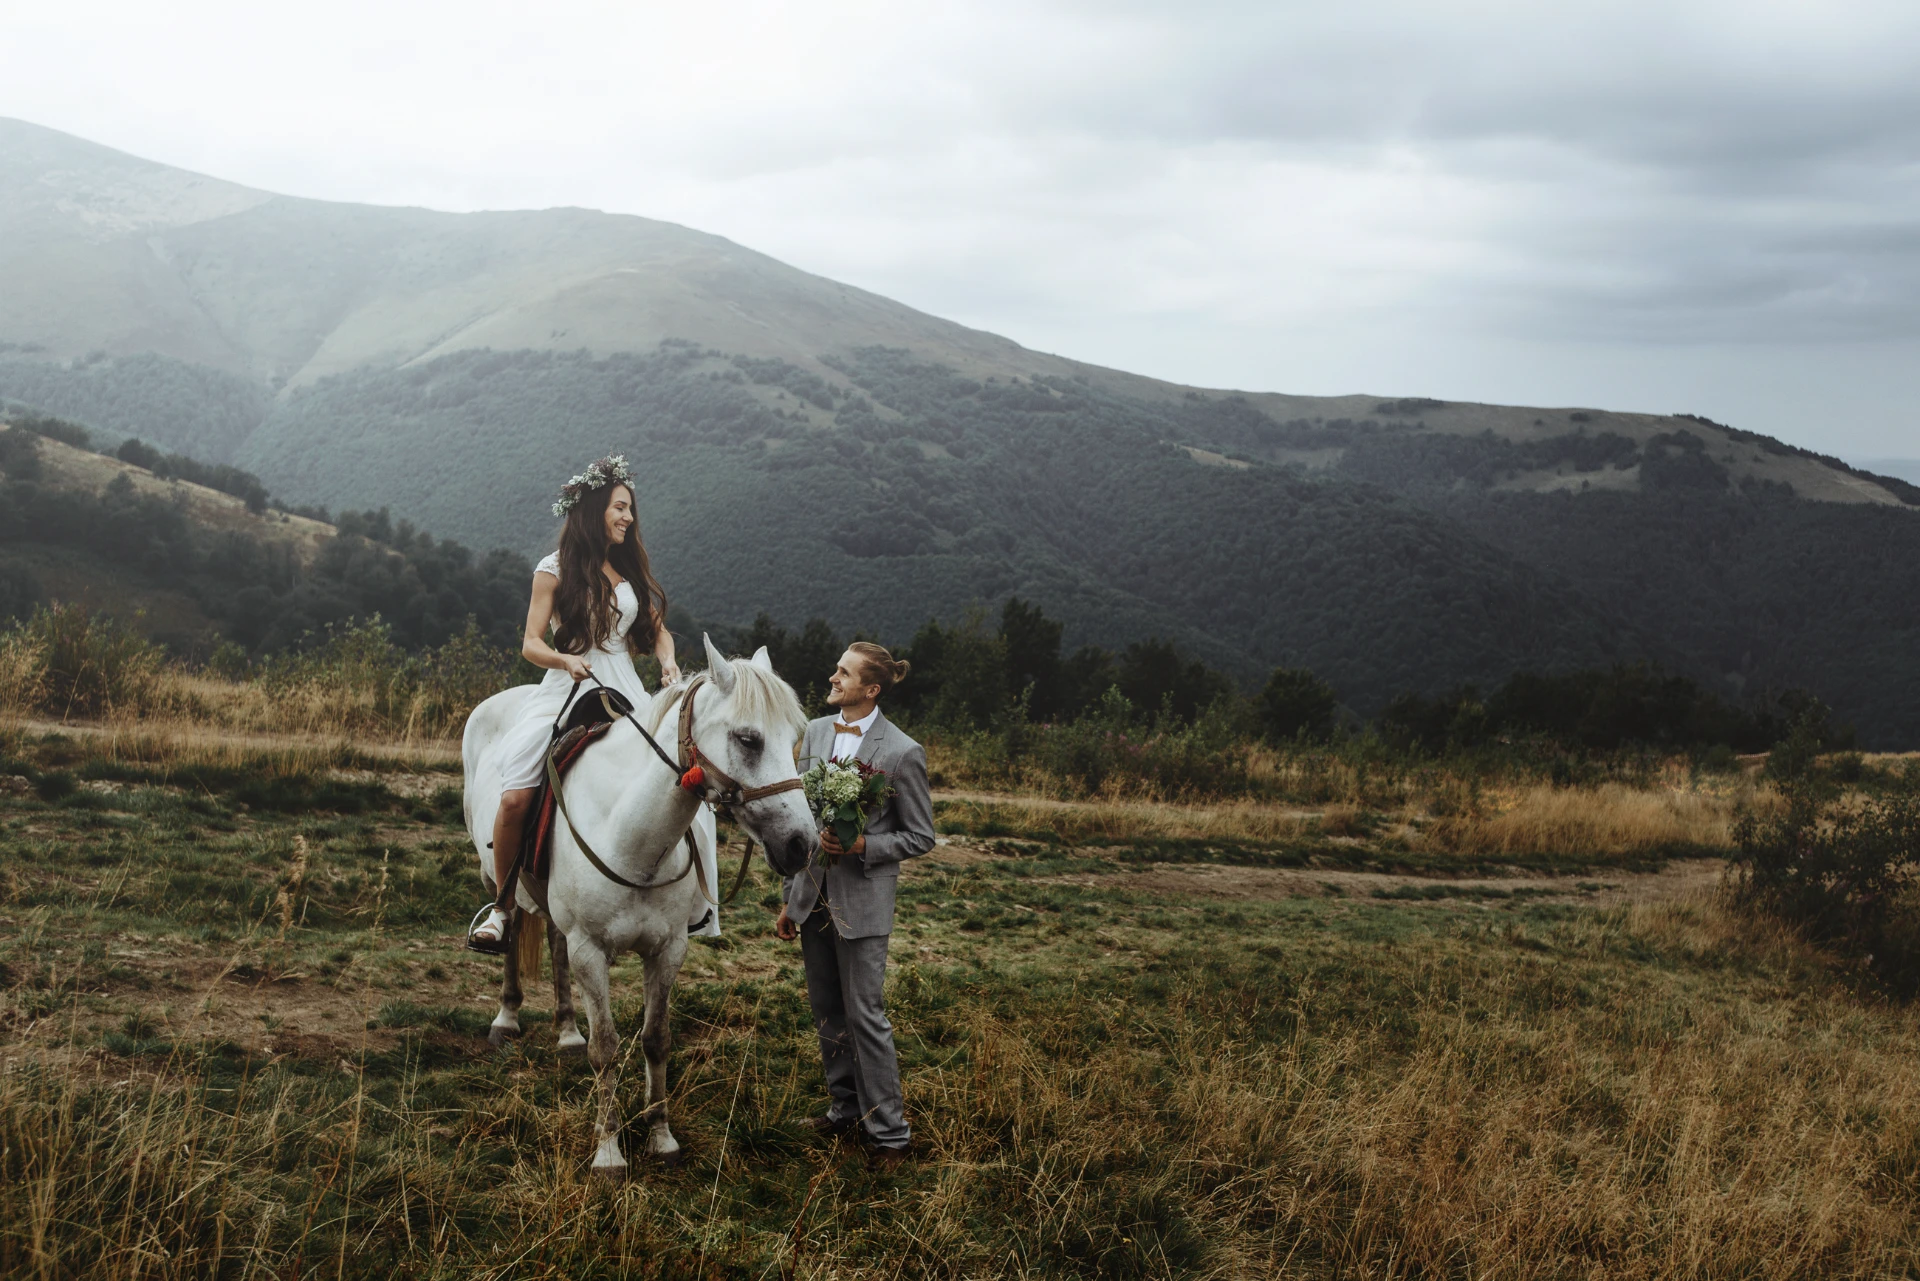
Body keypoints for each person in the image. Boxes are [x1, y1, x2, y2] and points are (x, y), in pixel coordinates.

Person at [467, 454, 700, 952]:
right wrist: (562, 660)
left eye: (630, 510)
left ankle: (697, 903)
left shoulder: (628, 570)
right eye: (620, 508)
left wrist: (667, 661)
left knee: (686, 784)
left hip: (627, 692)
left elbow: (656, 630)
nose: (628, 518)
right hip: (566, 689)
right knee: (514, 795)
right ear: (595, 509)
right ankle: (503, 909)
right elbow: (530, 642)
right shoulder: (552, 572)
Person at [774, 642, 935, 1169]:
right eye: (836, 668)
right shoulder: (817, 733)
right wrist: (789, 901)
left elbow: (920, 836)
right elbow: (800, 820)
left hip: (863, 900)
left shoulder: (902, 752)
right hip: (812, 895)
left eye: (844, 673)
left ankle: (890, 1136)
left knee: (865, 1015)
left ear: (872, 689)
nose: (833, 676)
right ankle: (844, 1110)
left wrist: (866, 846)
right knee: (826, 1011)